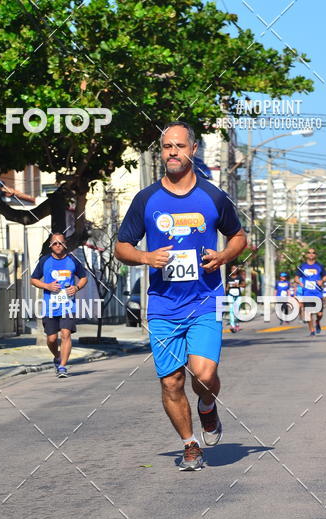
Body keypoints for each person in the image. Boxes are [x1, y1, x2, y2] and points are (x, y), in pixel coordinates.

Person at [114, 121, 247, 471]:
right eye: (167, 146)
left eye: (179, 146)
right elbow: (121, 246)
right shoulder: (146, 199)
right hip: (162, 304)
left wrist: (222, 256)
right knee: (172, 380)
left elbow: (238, 237)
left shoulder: (213, 196)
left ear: (193, 150)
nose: (173, 152)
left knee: (202, 376)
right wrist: (145, 257)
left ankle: (207, 406)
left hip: (205, 300)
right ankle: (190, 445)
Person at [30, 233, 88, 377]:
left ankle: (62, 366)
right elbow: (33, 279)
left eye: (60, 243)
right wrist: (47, 286)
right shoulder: (45, 261)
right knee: (52, 339)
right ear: (50, 245)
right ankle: (57, 356)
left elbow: (84, 277)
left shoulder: (72, 260)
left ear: (65, 245)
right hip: (50, 306)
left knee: (66, 334)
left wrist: (76, 288)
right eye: (55, 243)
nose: (58, 246)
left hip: (68, 306)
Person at [294, 248, 326, 336]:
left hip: (317, 293)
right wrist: (300, 282)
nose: (311, 254)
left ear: (316, 255)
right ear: (306, 255)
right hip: (307, 293)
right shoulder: (302, 266)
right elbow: (296, 278)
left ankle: (317, 322)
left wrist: (322, 281)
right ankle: (312, 330)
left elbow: (325, 276)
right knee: (308, 313)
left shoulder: (320, 266)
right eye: (309, 253)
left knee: (320, 314)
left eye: (313, 253)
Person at [226, 268, 242, 333]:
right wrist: (229, 286)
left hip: (238, 295)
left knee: (237, 310)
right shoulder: (228, 277)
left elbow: (244, 285)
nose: (233, 270)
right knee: (231, 310)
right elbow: (226, 288)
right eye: (232, 269)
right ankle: (232, 326)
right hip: (230, 295)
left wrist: (238, 285)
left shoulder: (239, 277)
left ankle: (237, 324)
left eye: (235, 269)